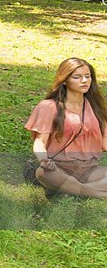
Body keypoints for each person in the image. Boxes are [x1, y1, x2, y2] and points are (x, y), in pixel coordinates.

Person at [25, 58, 107, 198]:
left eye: (88, 76)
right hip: (58, 168)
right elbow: (40, 142)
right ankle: (99, 195)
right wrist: (43, 160)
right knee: (42, 173)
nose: (84, 81)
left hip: (89, 169)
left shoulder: (96, 107)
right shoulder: (49, 106)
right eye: (77, 77)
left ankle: (70, 191)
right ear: (64, 80)